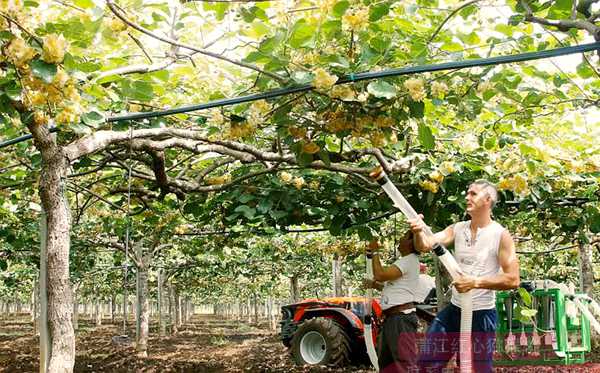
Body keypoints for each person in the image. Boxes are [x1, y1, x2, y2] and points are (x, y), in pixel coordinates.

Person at [409, 180, 520, 373]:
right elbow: (425, 245)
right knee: (427, 364)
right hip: (454, 310)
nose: (466, 197)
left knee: (476, 369)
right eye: (467, 193)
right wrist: (418, 232)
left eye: (473, 194)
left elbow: (513, 279)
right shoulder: (458, 228)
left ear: (488, 200)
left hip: (481, 314)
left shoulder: (500, 235)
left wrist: (475, 282)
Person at [364, 230, 420, 373]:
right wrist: (374, 285)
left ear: (411, 244)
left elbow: (380, 275)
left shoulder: (410, 260)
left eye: (405, 236)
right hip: (393, 318)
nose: (400, 238)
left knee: (405, 363)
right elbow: (393, 287)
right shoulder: (405, 261)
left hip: (400, 319)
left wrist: (375, 251)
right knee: (386, 363)